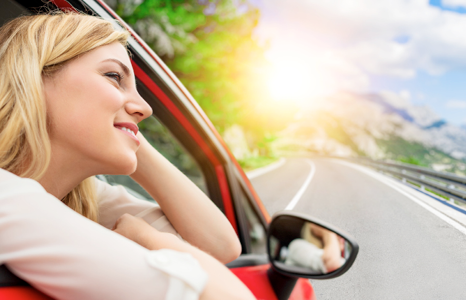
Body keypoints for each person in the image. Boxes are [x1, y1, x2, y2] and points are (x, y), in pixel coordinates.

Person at [0, 11, 255, 300]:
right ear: (32, 79)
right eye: (113, 76)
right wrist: (150, 240)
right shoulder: (7, 198)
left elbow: (220, 247)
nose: (145, 108)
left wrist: (126, 130)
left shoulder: (79, 196)